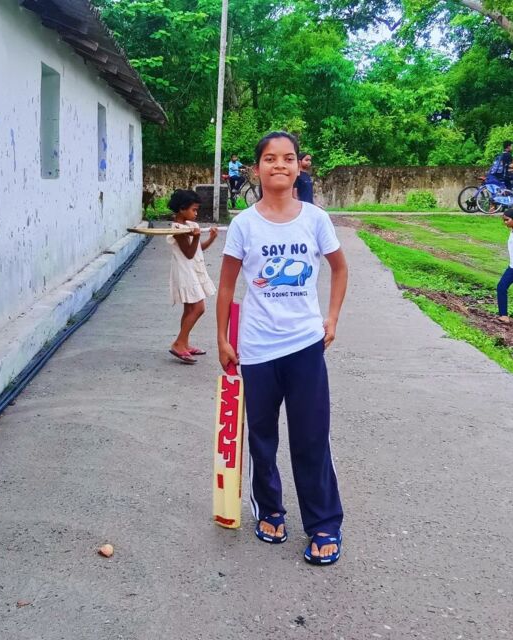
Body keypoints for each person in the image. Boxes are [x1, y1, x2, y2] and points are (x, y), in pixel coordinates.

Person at [216, 132, 348, 566]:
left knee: (311, 437)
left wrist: (331, 318)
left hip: (305, 346)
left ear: (298, 166)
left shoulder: (315, 219)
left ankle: (324, 523)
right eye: (270, 159)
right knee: (262, 437)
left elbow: (339, 268)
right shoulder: (244, 224)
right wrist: (222, 338)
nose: (279, 165)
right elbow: (227, 285)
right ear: (256, 169)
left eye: (288, 158)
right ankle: (270, 510)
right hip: (256, 349)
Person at [167, 189, 218, 363]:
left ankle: (184, 343)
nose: (196, 213)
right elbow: (189, 253)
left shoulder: (189, 226)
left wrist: (211, 238)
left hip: (193, 270)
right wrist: (195, 237)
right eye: (193, 210)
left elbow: (197, 250)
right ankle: (178, 343)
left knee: (189, 309)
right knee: (198, 308)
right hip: (185, 272)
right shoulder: (177, 229)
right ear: (182, 209)